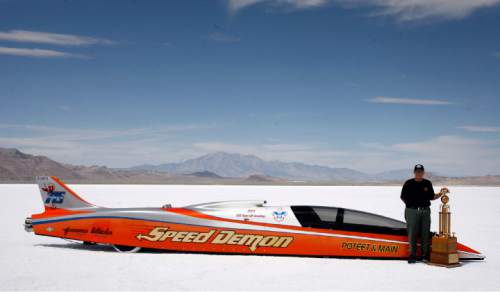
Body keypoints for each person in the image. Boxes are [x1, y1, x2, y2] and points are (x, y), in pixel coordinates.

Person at [400, 164, 448, 264]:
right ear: (414, 172)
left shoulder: (427, 183)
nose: (419, 173)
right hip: (412, 211)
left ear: (423, 172)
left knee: (425, 232)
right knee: (412, 233)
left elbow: (432, 197)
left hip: (425, 211)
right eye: (417, 171)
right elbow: (402, 197)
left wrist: (440, 194)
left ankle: (424, 254)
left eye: (421, 171)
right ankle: (412, 254)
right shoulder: (408, 183)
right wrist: (411, 205)